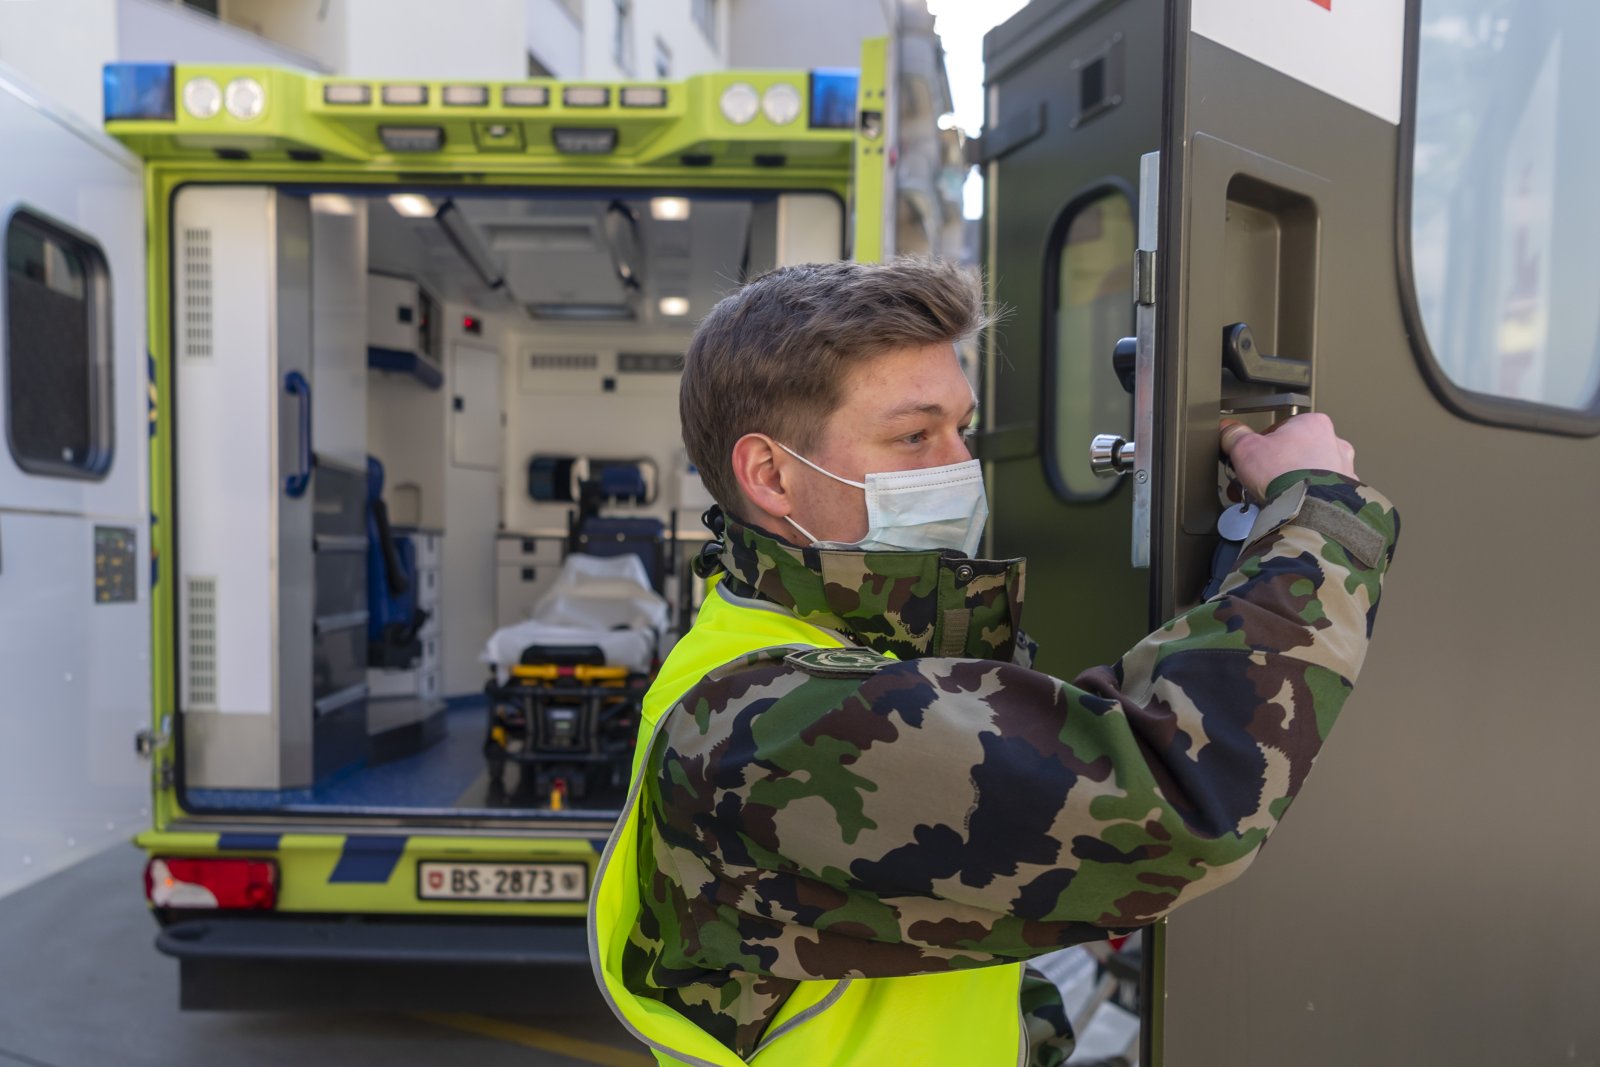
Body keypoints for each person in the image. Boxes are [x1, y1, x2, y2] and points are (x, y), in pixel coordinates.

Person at [589, 257, 1400, 1066]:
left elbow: (965, 962)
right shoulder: (768, 718)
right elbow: (1177, 806)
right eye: (914, 435)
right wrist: (1322, 515)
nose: (959, 464)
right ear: (771, 475)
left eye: (960, 428)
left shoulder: (840, 651)